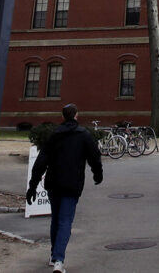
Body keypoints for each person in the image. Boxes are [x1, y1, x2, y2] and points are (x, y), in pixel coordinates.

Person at [26, 104, 103, 273]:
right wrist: (98, 174)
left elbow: (41, 162)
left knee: (56, 219)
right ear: (76, 115)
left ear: (63, 116)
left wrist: (32, 185)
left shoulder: (54, 135)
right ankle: (59, 260)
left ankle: (54, 256)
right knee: (65, 220)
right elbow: (94, 157)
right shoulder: (83, 135)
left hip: (54, 183)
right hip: (72, 184)